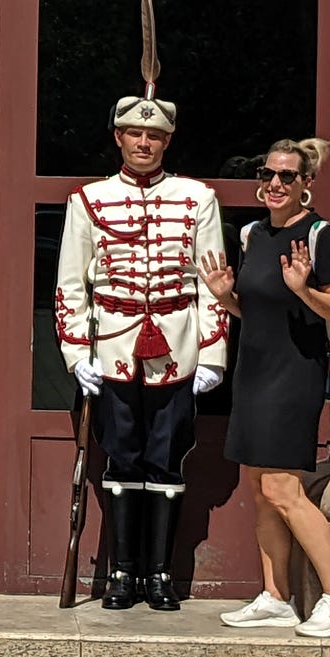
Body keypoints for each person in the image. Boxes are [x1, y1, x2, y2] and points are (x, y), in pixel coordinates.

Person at [55, 88, 228, 611]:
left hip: (177, 351)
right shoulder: (88, 200)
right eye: (135, 134)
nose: (144, 143)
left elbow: (212, 282)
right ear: (119, 138)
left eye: (155, 135)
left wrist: (213, 354)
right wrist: (76, 352)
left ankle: (159, 574)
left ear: (168, 141)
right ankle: (122, 573)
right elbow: (70, 285)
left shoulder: (198, 199)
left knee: (168, 459)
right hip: (112, 350)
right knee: (122, 457)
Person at [200, 138, 330, 637]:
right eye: (268, 173)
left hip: (295, 375)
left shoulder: (321, 237)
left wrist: (304, 288)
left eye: (287, 177)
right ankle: (276, 597)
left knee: (282, 487)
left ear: (306, 185)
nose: (275, 183)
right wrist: (225, 297)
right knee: (258, 486)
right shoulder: (252, 235)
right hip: (253, 373)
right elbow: (255, 311)